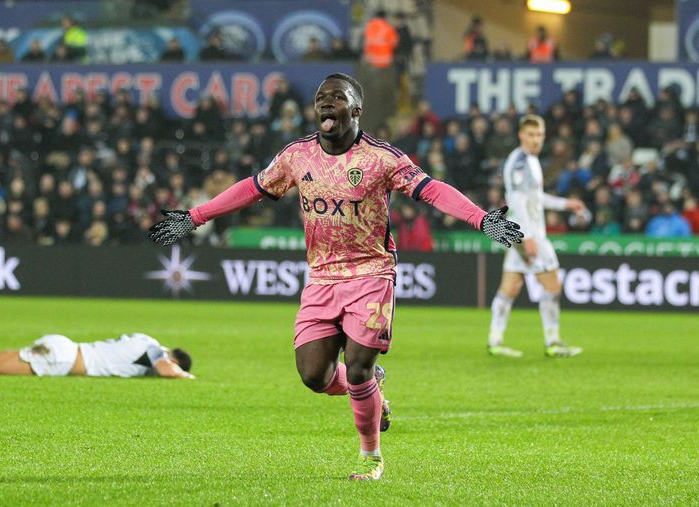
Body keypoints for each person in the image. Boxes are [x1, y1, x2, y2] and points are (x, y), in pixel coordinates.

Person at [148, 73, 522, 481]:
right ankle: (373, 389)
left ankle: (371, 456)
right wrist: (195, 216)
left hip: (371, 273)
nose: (326, 103)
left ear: (356, 109)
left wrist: (481, 218)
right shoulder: (296, 156)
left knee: (357, 366)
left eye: (337, 98)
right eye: (321, 98)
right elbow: (252, 188)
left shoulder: (382, 159)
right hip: (322, 277)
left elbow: (432, 190)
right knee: (313, 376)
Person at [488, 115, 585, 359]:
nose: (536, 139)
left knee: (510, 287)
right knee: (552, 284)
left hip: (520, 233)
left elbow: (535, 198)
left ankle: (495, 341)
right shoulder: (520, 162)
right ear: (521, 135)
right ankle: (552, 341)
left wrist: (565, 204)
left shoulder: (530, 160)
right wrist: (528, 236)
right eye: (531, 135)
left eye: (539, 135)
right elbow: (518, 203)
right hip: (529, 234)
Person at [0, 333, 194, 379]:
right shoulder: (155, 348)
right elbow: (167, 370)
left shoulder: (142, 340)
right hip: (59, 358)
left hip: (64, 350)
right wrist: (186, 376)